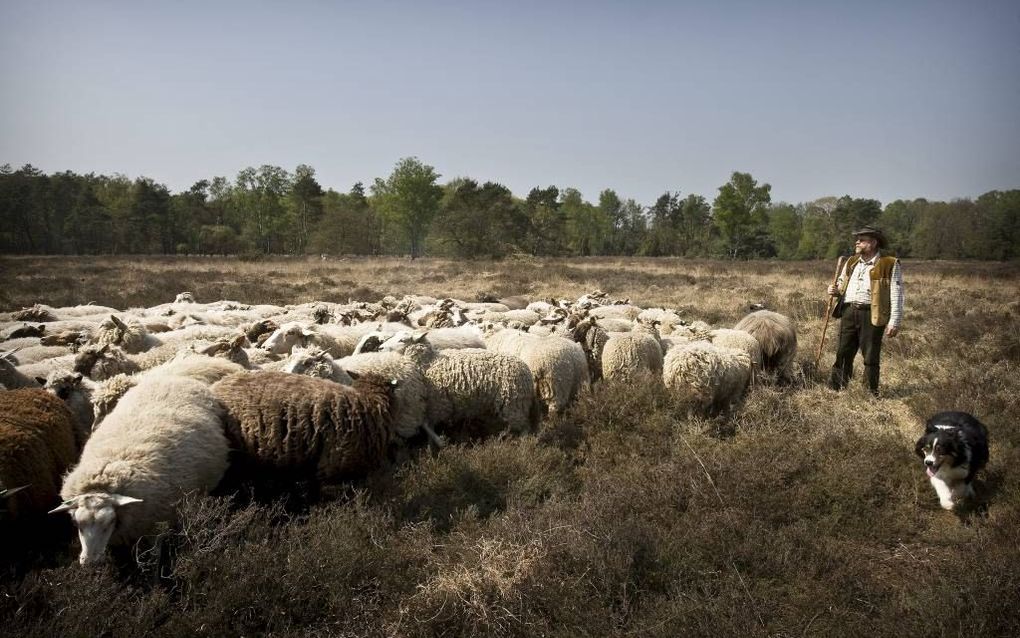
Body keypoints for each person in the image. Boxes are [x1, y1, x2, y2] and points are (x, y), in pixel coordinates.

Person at [827, 226, 904, 395]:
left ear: (873, 242)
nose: (857, 242)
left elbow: (897, 294)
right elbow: (841, 284)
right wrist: (835, 290)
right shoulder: (851, 261)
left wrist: (895, 321)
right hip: (848, 311)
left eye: (862, 239)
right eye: (857, 239)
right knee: (843, 352)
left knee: (870, 356)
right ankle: (837, 388)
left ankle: (869, 393)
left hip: (872, 314)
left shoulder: (889, 264)